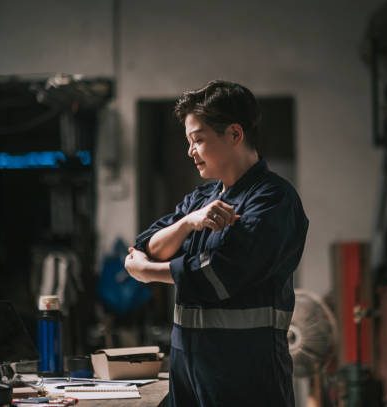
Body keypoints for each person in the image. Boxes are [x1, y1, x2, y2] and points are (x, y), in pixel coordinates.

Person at [124, 80, 309, 407]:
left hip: (245, 375)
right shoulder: (203, 198)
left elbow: (220, 273)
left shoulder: (273, 201)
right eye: (188, 141)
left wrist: (146, 272)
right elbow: (150, 244)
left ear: (235, 134)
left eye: (198, 139)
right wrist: (187, 222)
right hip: (190, 371)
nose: (190, 151)